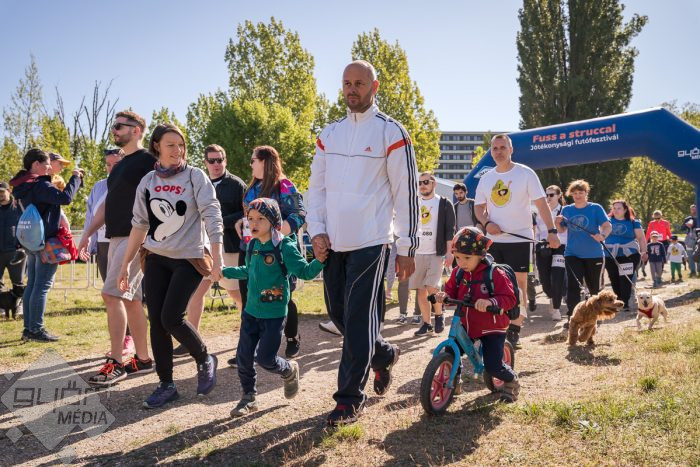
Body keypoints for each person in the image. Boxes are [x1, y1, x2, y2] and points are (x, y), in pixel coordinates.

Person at [307, 60, 418, 426]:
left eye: (359, 83)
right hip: (332, 244)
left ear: (375, 86)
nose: (352, 89)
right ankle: (383, 354)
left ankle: (348, 399)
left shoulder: (392, 132)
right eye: (347, 83)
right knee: (340, 315)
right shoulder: (329, 134)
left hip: (372, 242)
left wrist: (406, 247)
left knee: (357, 321)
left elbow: (406, 193)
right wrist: (316, 230)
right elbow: (316, 189)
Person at [117, 124, 223, 408]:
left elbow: (212, 215)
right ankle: (166, 385)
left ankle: (204, 358)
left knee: (171, 317)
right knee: (157, 322)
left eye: (181, 145)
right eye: (171, 145)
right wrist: (125, 265)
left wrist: (217, 255)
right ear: (157, 147)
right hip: (155, 258)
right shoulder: (148, 181)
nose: (178, 150)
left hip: (189, 258)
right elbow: (139, 225)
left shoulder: (195, 176)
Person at [223, 198, 325, 416]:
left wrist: (320, 260)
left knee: (266, 359)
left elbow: (305, 272)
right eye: (250, 218)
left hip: (274, 315)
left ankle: (288, 370)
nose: (254, 223)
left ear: (273, 221)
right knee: (243, 357)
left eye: (260, 218)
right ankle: (249, 398)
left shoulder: (284, 246)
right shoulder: (252, 245)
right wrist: (224, 272)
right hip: (250, 312)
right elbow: (247, 271)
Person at [78, 110, 154, 386]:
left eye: (120, 126)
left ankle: (116, 362)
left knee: (111, 294)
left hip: (136, 236)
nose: (115, 130)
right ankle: (143, 359)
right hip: (115, 238)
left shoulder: (148, 160)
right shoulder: (120, 166)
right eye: (114, 126)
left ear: (137, 130)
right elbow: (107, 206)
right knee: (131, 300)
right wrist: (87, 234)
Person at [474, 134, 560, 347]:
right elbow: (478, 207)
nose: (499, 152)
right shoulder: (486, 178)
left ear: (511, 150)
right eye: (495, 148)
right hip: (494, 241)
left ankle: (514, 328)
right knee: (492, 284)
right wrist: (486, 223)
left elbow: (541, 204)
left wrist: (551, 231)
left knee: (518, 284)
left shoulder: (525, 173)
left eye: (503, 147)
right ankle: (496, 327)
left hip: (520, 239)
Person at [229, 145, 306, 361]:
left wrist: (277, 234)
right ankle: (247, 349)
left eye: (253, 160)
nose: (251, 164)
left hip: (277, 254)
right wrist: (241, 221)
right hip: (250, 249)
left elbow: (299, 213)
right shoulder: (253, 187)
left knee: (281, 296)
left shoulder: (284, 185)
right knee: (249, 300)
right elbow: (252, 215)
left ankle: (292, 337)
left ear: (264, 161)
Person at [175, 144, 247, 357]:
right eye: (212, 161)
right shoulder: (198, 182)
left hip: (230, 247)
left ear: (225, 161)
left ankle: (248, 337)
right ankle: (191, 340)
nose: (216, 164)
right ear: (205, 163)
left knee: (237, 294)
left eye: (220, 160)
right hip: (203, 247)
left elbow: (246, 213)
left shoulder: (236, 184)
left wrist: (219, 222)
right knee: (195, 293)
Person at [434, 227, 520, 402]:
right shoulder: (459, 273)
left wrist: (490, 302)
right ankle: (453, 381)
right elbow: (451, 291)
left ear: (481, 255)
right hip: (467, 324)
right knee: (451, 351)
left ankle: (511, 381)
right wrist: (444, 296)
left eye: (467, 258)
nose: (462, 262)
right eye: (458, 257)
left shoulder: (494, 273)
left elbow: (509, 298)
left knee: (493, 366)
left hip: (492, 326)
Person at [10, 149, 83, 341]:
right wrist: (76, 178)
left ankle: (28, 329)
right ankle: (36, 329)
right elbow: (65, 198)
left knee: (32, 285)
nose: (50, 167)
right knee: (41, 286)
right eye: (47, 164)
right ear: (36, 165)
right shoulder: (40, 185)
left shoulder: (22, 185)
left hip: (31, 241)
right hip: (46, 241)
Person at [555, 180, 611, 326]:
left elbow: (607, 225)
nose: (578, 195)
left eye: (581, 192)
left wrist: (602, 235)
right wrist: (557, 223)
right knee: (573, 286)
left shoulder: (595, 208)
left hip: (594, 254)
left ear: (586, 193)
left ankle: (595, 315)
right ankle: (572, 317)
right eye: (574, 193)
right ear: (571, 194)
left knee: (594, 287)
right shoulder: (567, 210)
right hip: (572, 253)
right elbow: (562, 230)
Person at [409, 172, 455, 335]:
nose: (422, 185)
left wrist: (449, 252)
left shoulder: (444, 203)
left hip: (436, 252)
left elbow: (449, 230)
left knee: (431, 287)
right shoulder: (414, 203)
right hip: (417, 253)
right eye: (420, 182)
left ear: (434, 183)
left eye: (426, 182)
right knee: (421, 290)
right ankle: (427, 323)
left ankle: (439, 315)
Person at [83, 149, 124, 281]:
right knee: (107, 286)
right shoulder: (99, 186)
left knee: (123, 287)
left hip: (124, 242)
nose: (112, 168)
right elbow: (90, 215)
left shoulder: (132, 184)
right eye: (108, 164)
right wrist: (87, 237)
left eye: (116, 164)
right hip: (103, 244)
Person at [604, 199, 647, 311]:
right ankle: (618, 301)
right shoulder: (606, 221)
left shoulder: (633, 222)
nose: (616, 210)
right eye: (614, 208)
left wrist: (644, 251)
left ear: (625, 210)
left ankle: (625, 302)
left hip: (629, 254)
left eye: (619, 208)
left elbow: (641, 238)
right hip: (610, 254)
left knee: (625, 278)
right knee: (614, 278)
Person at [533, 185, 567, 320]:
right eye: (546, 195)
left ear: (559, 196)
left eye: (551, 195)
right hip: (543, 248)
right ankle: (552, 296)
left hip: (560, 247)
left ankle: (556, 308)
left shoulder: (565, 211)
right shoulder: (539, 211)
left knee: (558, 276)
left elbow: (567, 232)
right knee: (544, 280)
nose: (548, 197)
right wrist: (536, 245)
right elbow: (536, 231)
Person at [0, 182, 26, 292]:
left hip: (15, 252)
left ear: (9, 191)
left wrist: (23, 247)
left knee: (18, 284)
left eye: (2, 192)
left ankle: (19, 302)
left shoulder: (19, 206)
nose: (0, 195)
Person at [682, 204, 698, 277]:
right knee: (690, 255)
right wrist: (686, 225)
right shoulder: (688, 218)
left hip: (698, 238)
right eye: (692, 209)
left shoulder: (699, 218)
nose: (693, 211)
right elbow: (682, 228)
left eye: (695, 209)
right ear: (690, 210)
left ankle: (699, 271)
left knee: (698, 254)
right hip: (689, 239)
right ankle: (693, 271)